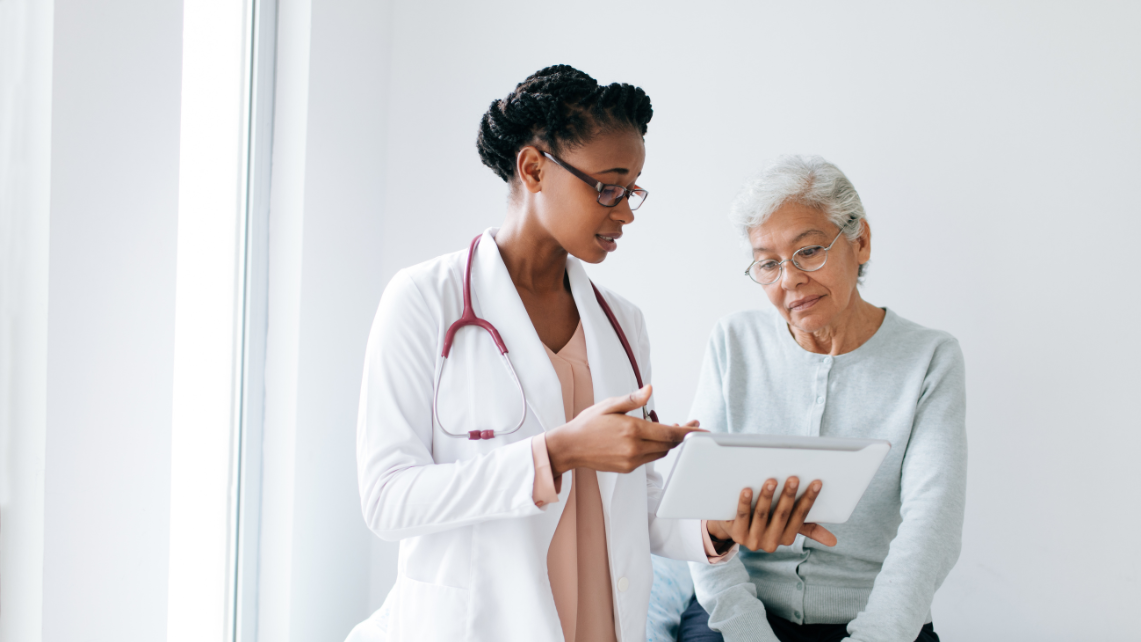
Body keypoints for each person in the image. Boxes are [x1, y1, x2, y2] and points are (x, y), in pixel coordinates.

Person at [346, 67, 831, 642]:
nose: (625, 212)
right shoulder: (425, 300)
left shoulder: (623, 323)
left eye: (632, 192)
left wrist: (720, 527)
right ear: (533, 169)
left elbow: (636, 507)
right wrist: (558, 453)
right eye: (608, 188)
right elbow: (388, 499)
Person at [677, 155, 967, 642]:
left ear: (861, 242)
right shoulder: (734, 342)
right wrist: (748, 631)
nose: (788, 279)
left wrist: (877, 635)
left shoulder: (931, 357)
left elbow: (931, 526)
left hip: (876, 619)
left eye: (808, 251)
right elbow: (697, 508)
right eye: (768, 263)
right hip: (739, 611)